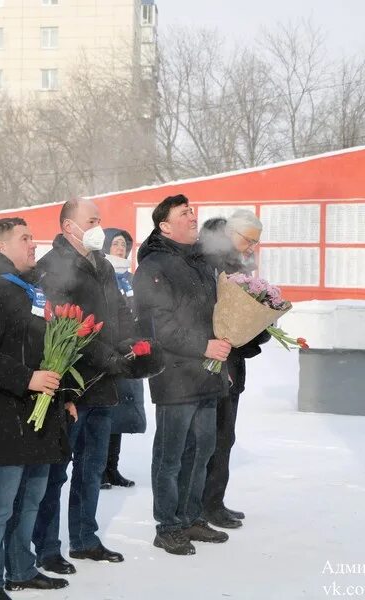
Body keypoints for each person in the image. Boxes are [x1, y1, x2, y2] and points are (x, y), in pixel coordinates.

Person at [0, 218, 73, 600]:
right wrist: (26, 378)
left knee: (31, 499)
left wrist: (67, 394)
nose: (33, 244)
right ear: (1, 246)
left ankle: (22, 568)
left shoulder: (33, 289)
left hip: (42, 411)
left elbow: (53, 348)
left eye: (32, 236)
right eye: (24, 238)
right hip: (6, 412)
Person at [33, 199, 145, 573]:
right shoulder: (51, 267)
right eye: (92, 220)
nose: (100, 227)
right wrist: (104, 354)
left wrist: (133, 344)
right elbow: (62, 324)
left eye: (100, 219)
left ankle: (84, 538)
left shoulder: (102, 265)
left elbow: (120, 313)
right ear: (69, 227)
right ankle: (47, 546)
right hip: (70, 385)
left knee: (92, 467)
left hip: (105, 384)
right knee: (56, 470)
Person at [132, 194, 232, 556]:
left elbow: (215, 315)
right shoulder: (154, 267)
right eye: (184, 213)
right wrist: (204, 345)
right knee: (171, 454)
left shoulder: (201, 263)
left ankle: (190, 516)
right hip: (174, 376)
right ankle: (168, 525)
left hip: (206, 374)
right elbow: (158, 326)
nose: (193, 216)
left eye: (193, 210)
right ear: (164, 225)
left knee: (203, 448)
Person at [198, 212, 268, 529]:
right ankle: (201, 505)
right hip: (210, 364)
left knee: (225, 437)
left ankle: (215, 502)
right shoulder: (209, 263)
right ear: (231, 233)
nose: (252, 246)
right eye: (249, 239)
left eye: (255, 241)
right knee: (209, 440)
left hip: (232, 363)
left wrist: (261, 324)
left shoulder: (238, 265)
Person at [99, 228, 146, 489]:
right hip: (108, 351)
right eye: (116, 243)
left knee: (122, 414)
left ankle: (112, 468)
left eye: (124, 245)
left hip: (129, 350)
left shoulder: (130, 277)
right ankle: (98, 470)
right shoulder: (102, 276)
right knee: (106, 412)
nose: (120, 248)